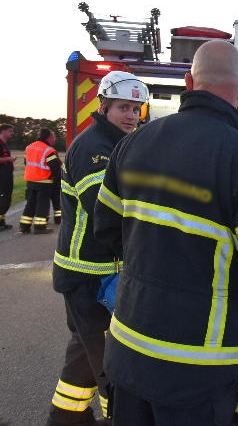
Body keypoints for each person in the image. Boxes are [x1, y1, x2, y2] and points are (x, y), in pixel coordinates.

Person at [94, 40, 238, 426]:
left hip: (127, 351)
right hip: (197, 368)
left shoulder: (131, 144)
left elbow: (107, 229)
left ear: (188, 81)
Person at [45, 71, 149, 426]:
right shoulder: (94, 148)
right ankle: (117, 416)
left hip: (98, 272)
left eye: (136, 109)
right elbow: (107, 211)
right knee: (110, 360)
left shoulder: (116, 144)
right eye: (123, 107)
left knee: (84, 351)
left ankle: (66, 417)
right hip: (88, 274)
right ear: (103, 106)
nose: (131, 116)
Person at [19, 128, 61, 234]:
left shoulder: (29, 147)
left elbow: (26, 162)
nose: (54, 139)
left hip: (30, 180)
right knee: (42, 204)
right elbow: (55, 167)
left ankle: (24, 226)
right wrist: (55, 179)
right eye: (54, 137)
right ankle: (40, 227)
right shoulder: (48, 150)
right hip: (44, 181)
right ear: (49, 137)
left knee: (30, 204)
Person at [0, 123, 16, 230]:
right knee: (2, 198)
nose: (12, 133)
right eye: (10, 131)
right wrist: (8, 159)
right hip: (1, 176)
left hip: (6, 176)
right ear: (3, 131)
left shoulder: (4, 144)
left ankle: (2, 221)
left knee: (6, 199)